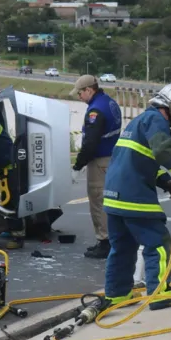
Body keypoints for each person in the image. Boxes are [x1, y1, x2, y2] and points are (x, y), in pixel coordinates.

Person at [102, 83, 171, 311]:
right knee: (157, 241)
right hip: (133, 195)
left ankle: (117, 295)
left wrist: (164, 180)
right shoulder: (156, 121)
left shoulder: (139, 121)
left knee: (122, 246)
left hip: (112, 196)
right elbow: (163, 152)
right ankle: (159, 293)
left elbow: (142, 159)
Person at [70, 75, 123, 259]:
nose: (79, 97)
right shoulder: (110, 103)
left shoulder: (95, 111)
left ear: (89, 90)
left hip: (100, 162)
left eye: (80, 93)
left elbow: (90, 143)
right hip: (111, 159)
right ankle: (110, 240)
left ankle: (105, 241)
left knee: (98, 200)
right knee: (108, 200)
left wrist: (78, 165)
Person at [0, 111, 26, 249]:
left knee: (10, 200)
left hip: (6, 164)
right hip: (3, 163)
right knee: (4, 199)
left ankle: (18, 237)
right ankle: (7, 228)